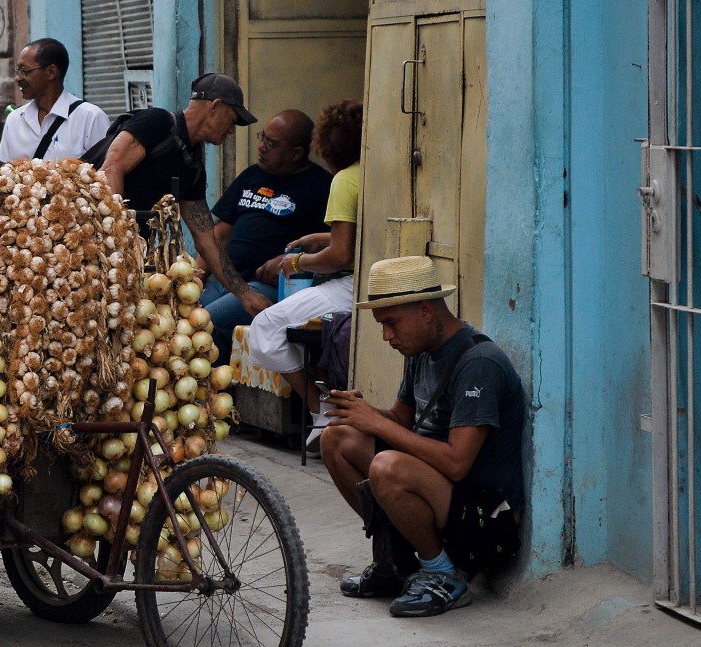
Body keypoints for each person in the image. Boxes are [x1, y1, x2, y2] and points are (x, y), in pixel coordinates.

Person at [320, 255, 525, 618]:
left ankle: (444, 575)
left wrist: (379, 426)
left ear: (427, 311)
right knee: (337, 438)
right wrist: (362, 414)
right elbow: (400, 419)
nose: (386, 336)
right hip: (443, 497)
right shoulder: (422, 352)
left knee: (387, 466)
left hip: (485, 521)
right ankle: (394, 564)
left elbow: (457, 463)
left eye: (392, 323)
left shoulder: (479, 362)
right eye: (382, 325)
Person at [247, 99, 363, 452]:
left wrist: (296, 263)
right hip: (380, 279)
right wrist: (322, 238)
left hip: (356, 285)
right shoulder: (374, 172)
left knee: (266, 327)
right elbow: (362, 236)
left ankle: (321, 410)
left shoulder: (344, 180)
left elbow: (342, 256)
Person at [100, 72, 257, 309]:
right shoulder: (156, 122)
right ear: (215, 106)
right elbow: (111, 167)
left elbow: (206, 242)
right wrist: (118, 246)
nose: (232, 130)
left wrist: (245, 295)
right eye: (232, 120)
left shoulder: (192, 166)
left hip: (122, 265)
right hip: (95, 245)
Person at [199, 110, 332, 365]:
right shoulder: (251, 176)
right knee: (184, 319)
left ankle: (215, 397)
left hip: (266, 286)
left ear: (296, 153)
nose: (261, 146)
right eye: (263, 138)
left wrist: (292, 259)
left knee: (207, 324)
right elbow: (219, 235)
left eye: (271, 144)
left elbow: (333, 243)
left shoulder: (320, 186)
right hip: (225, 278)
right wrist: (195, 277)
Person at [0, 37, 108, 163]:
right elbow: (3, 174)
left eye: (24, 71)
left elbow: (104, 175)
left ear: (51, 72)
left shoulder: (90, 118)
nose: (17, 78)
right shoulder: (15, 120)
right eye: (17, 71)